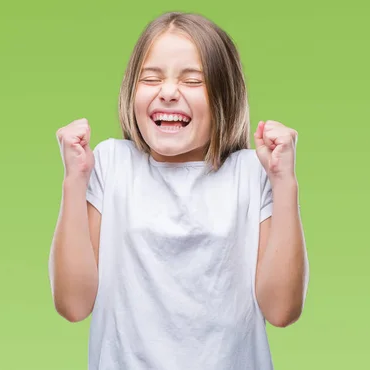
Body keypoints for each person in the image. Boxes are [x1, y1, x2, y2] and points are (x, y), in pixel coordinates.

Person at [48, 11, 309, 370]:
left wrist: (285, 183)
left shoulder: (251, 174)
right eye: (151, 78)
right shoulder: (110, 165)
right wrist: (73, 181)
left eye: (192, 80)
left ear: (225, 94)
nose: (167, 92)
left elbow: (281, 310)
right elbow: (73, 305)